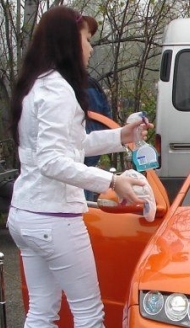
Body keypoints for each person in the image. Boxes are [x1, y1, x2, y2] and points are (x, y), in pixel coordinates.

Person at [8, 6, 150, 328]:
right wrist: (113, 181)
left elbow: (71, 146)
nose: (90, 47)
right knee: (88, 313)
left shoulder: (39, 86)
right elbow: (55, 160)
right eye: (86, 39)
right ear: (69, 43)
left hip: (27, 217)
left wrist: (119, 137)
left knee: (42, 312)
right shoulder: (58, 92)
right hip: (54, 217)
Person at [82, 16, 114, 201]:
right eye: (87, 40)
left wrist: (123, 135)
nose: (91, 49)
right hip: (80, 173)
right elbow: (97, 126)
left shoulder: (87, 85)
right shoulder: (73, 88)